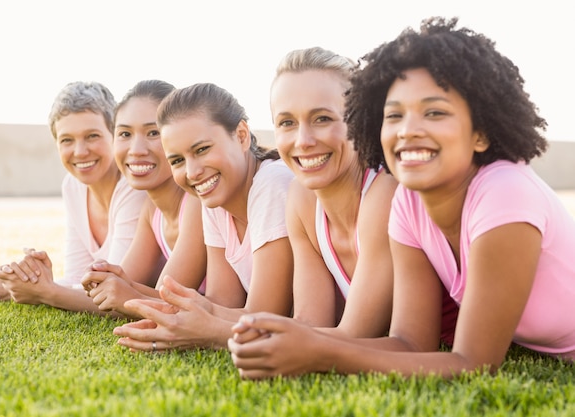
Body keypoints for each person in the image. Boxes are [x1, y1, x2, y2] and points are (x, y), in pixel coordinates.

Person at [228, 16, 575, 379]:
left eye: (435, 112)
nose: (408, 130)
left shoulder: (505, 193)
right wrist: (297, 341)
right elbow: (411, 343)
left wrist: (321, 353)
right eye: (394, 115)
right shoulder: (410, 204)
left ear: (481, 133)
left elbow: (473, 365)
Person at [113, 82, 294, 351]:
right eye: (177, 161)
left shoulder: (271, 183)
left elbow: (265, 314)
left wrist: (199, 328)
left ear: (242, 135)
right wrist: (182, 316)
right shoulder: (213, 201)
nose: (192, 172)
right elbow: (223, 302)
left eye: (201, 150)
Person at [0, 81, 147, 312]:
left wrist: (19, 291)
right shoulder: (73, 186)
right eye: (67, 140)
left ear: (115, 134)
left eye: (92, 136)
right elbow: (75, 279)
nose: (80, 151)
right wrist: (15, 283)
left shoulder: (133, 187)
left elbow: (113, 296)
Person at [269, 46, 399, 336]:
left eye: (322, 119)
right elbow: (311, 325)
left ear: (360, 121)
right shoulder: (301, 199)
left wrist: (215, 331)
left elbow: (354, 336)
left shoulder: (385, 190)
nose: (303, 141)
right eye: (287, 123)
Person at [80, 80, 207, 318]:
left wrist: (48, 292)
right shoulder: (152, 210)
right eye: (125, 134)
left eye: (153, 133)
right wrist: (105, 280)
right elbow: (125, 285)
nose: (136, 149)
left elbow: (164, 302)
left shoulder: (196, 201)